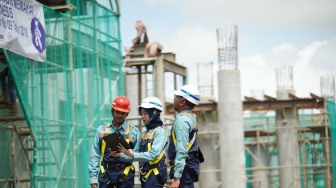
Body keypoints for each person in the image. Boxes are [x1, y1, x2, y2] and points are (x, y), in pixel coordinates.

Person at [88, 96, 141, 188]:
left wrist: (123, 155)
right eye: (117, 112)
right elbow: (95, 155)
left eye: (123, 113)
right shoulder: (101, 131)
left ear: (127, 114)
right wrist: (93, 178)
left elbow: (137, 155)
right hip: (105, 175)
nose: (120, 115)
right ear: (112, 111)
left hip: (126, 176)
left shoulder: (134, 132)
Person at [117, 97, 168, 188]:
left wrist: (131, 154)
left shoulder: (159, 132)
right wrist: (120, 155)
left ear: (154, 113)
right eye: (141, 114)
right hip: (146, 176)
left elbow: (153, 154)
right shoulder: (143, 134)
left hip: (155, 175)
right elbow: (135, 153)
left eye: (145, 113)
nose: (142, 117)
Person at [168, 85, 204, 188]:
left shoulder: (182, 121)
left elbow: (181, 149)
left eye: (177, 97)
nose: (174, 99)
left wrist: (177, 178)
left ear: (182, 102)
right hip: (187, 167)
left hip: (184, 169)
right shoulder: (189, 118)